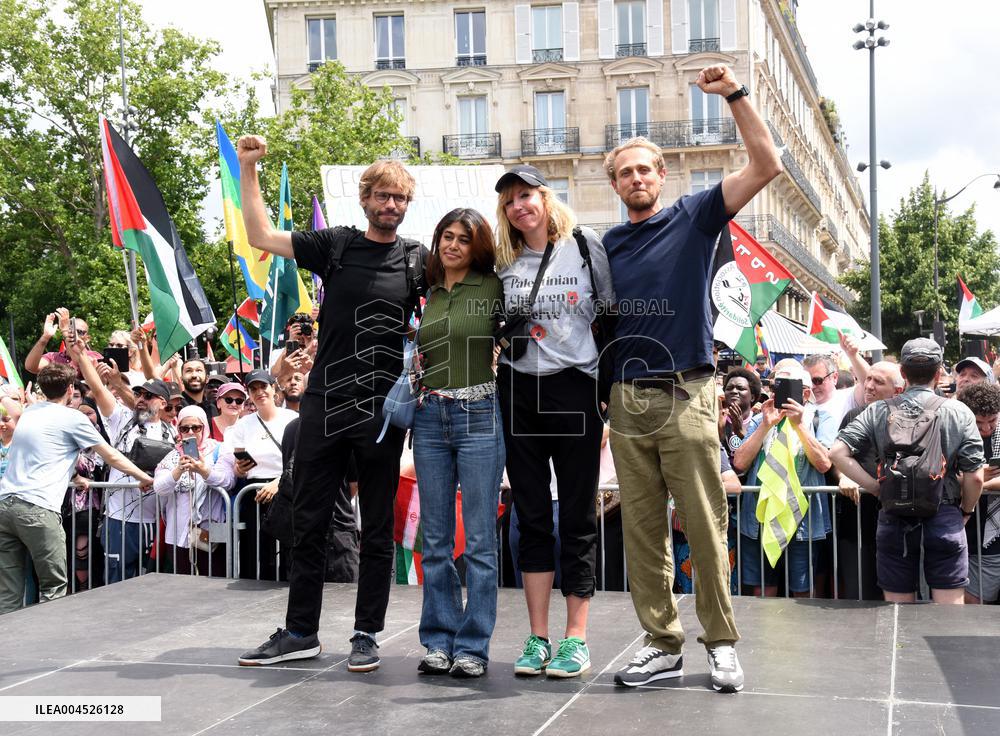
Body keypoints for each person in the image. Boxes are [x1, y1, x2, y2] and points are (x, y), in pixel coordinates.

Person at [601, 64, 781, 691]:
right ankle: (660, 643)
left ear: (663, 175)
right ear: (615, 184)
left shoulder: (695, 217)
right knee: (642, 532)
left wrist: (734, 94)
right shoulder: (604, 247)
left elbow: (766, 165)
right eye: (625, 172)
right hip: (626, 403)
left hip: (687, 392)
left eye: (644, 169)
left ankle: (722, 644)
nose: (636, 179)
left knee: (704, 525)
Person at [234, 136, 426, 671]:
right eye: (383, 196)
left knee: (377, 527)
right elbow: (260, 235)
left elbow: (465, 288)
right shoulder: (336, 245)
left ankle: (366, 634)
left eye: (400, 199)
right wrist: (249, 168)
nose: (392, 206)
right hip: (323, 402)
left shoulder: (417, 260)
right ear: (365, 199)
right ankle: (300, 632)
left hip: (383, 413)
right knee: (308, 517)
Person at [494, 164, 613, 679]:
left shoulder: (585, 246)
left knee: (579, 518)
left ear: (545, 198)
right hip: (519, 389)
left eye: (526, 195)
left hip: (574, 387)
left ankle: (576, 639)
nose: (519, 206)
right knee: (532, 516)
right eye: (509, 202)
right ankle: (538, 637)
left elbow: (609, 313)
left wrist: (607, 390)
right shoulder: (500, 258)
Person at [410, 208, 505, 679]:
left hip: (480, 415)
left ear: (478, 246)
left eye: (463, 239)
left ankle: (473, 646)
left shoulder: (494, 286)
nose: (452, 245)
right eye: (446, 236)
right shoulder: (428, 292)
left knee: (482, 541)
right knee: (435, 541)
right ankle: (438, 640)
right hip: (429, 417)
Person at [831, 338, 985, 604]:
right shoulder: (959, 412)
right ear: (939, 374)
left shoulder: (878, 410)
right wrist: (966, 511)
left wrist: (877, 488)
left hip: (894, 515)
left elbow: (837, 453)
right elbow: (975, 476)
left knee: (898, 615)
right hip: (945, 513)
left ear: (902, 373)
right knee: (949, 614)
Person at [0, 363, 152, 613]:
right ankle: (49, 645)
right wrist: (142, 477)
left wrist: (71, 473)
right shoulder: (73, 418)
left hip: (5, 505)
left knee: (8, 590)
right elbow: (111, 456)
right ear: (71, 389)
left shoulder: (31, 412)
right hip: (38, 509)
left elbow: (43, 451)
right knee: (53, 588)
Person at [61, 311, 175, 584]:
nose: (141, 399)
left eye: (149, 396)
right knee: (118, 585)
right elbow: (99, 391)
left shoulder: (172, 432)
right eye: (139, 394)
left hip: (153, 522)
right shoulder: (122, 419)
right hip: (118, 519)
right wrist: (80, 355)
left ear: (163, 403)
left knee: (149, 584)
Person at [732, 359, 834, 597]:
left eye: (789, 387)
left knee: (802, 591)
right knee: (763, 590)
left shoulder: (820, 418)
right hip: (760, 520)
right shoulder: (762, 418)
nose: (780, 394)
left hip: (802, 522)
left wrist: (800, 427)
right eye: (776, 387)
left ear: (805, 392)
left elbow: (823, 463)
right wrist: (765, 426)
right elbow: (739, 463)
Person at [834, 361, 903, 600]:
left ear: (898, 390)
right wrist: (843, 476)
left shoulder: (911, 420)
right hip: (857, 525)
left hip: (898, 522)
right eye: (868, 379)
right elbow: (837, 457)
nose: (869, 386)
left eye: (878, 382)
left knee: (896, 596)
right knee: (859, 594)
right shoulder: (854, 416)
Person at [221, 370, 298, 581]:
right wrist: (240, 469)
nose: (259, 392)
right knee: (255, 552)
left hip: (286, 491)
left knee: (286, 551)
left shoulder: (292, 419)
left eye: (263, 386)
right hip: (254, 495)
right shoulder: (243, 425)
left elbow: (299, 461)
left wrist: (278, 484)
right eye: (253, 389)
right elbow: (237, 469)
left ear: (274, 388)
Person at [152, 405, 232, 577]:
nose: (190, 432)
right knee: (183, 586)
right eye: (184, 428)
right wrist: (178, 470)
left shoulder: (219, 450)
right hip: (178, 532)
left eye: (196, 427)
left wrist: (203, 470)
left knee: (214, 581)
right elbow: (159, 487)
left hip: (212, 529)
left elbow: (227, 481)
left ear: (204, 427)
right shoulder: (173, 456)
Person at [955, 382, 1000, 604]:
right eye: (979, 423)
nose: (986, 429)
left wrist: (980, 482)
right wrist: (971, 478)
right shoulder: (954, 432)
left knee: (980, 597)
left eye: (992, 421)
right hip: (962, 527)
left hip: (992, 535)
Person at [802, 334, 870, 426]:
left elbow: (868, 382)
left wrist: (853, 355)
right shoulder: (799, 404)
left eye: (817, 380)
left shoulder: (848, 398)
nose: (812, 386)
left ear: (834, 377)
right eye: (807, 381)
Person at [24, 312, 103, 377]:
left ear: (87, 338)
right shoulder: (53, 357)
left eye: (79, 332)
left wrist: (66, 331)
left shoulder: (94, 356)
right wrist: (45, 338)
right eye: (71, 330)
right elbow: (31, 367)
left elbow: (78, 361)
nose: (73, 333)